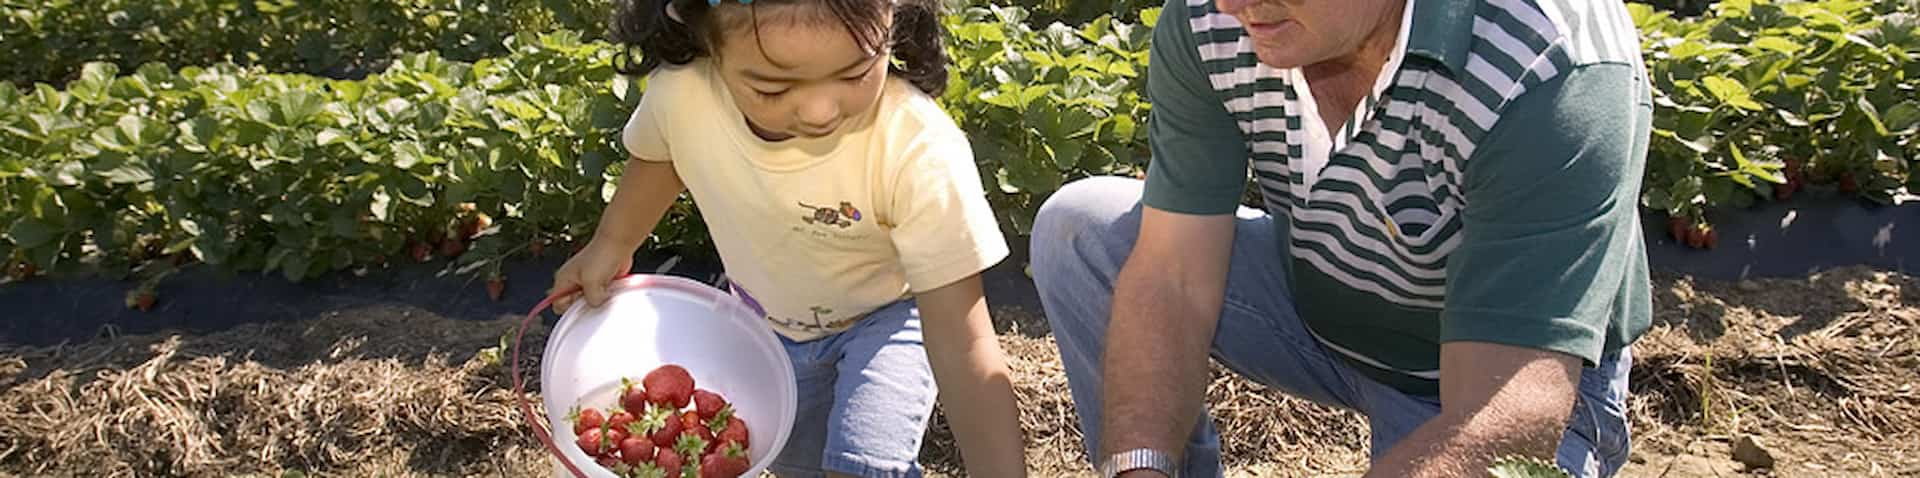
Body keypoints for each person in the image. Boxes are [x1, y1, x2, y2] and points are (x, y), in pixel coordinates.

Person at [1030, 0, 1653, 476]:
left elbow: (1513, 403)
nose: (1230, 4)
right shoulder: (1218, 19)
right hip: (1324, 307)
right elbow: (1172, 274)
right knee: (1084, 230)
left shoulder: (1546, 61)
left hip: (1504, 381)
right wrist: (1139, 465)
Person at [548, 0, 1027, 476]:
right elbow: (661, 157)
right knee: (798, 462)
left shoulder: (917, 151)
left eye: (857, 72)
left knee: (862, 465)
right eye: (773, 89)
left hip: (890, 318)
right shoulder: (683, 95)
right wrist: (612, 241)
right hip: (764, 324)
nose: (820, 111)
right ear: (704, 39)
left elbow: (963, 346)